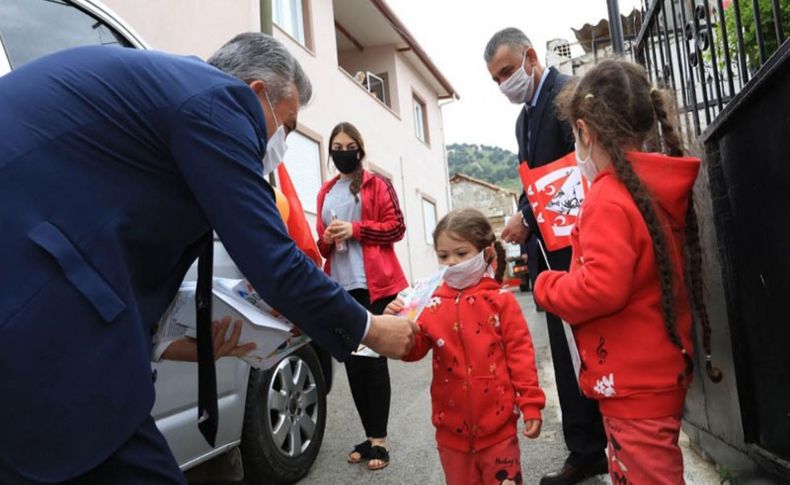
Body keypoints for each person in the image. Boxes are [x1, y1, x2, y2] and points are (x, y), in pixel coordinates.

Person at [0, 33, 416, 484]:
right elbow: (273, 260)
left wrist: (179, 343)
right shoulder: (217, 100)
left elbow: (121, 245)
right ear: (256, 92)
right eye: (288, 127)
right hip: (34, 308)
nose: (280, 143)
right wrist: (370, 329)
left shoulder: (170, 96)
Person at [534, 59, 723, 484]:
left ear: (585, 130)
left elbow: (603, 289)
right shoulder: (647, 188)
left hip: (632, 384)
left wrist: (548, 286)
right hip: (654, 373)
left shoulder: (608, 198)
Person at [484, 28, 607, 483]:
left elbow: (574, 173)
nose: (502, 84)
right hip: (548, 257)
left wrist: (528, 219)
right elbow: (532, 181)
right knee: (564, 353)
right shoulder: (523, 120)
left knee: (591, 348)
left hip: (578, 249)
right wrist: (522, 216)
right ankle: (587, 447)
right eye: (495, 78)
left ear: (530, 57)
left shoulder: (566, 96)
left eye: (506, 72)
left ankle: (598, 442)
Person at [387, 208, 545, 485]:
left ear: (484, 252)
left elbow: (521, 355)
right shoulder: (428, 302)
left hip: (499, 429)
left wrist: (531, 404)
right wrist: (400, 324)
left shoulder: (500, 301)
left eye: (462, 254)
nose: (452, 263)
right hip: (451, 433)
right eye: (444, 256)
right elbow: (415, 349)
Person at [316, 122, 409, 471]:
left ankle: (380, 441)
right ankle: (370, 435)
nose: (343, 151)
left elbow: (397, 227)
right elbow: (323, 245)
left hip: (375, 285)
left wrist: (355, 229)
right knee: (353, 361)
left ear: (360, 148)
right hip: (340, 286)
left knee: (372, 359)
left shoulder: (375, 184)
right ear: (331, 152)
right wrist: (327, 237)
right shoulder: (326, 192)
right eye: (337, 146)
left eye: (349, 145)